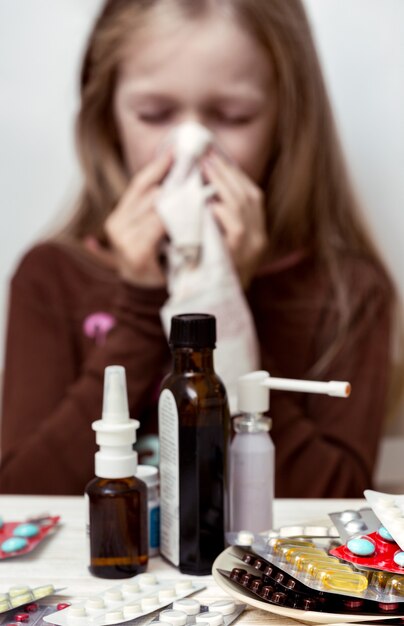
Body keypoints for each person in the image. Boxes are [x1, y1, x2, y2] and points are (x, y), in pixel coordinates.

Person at [0, 0, 401, 496]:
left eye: (233, 116)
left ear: (286, 121)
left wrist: (227, 308)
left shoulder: (350, 293)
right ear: (108, 119)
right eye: (155, 114)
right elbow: (21, 496)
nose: (190, 145)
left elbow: (330, 508)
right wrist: (139, 303)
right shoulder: (52, 277)